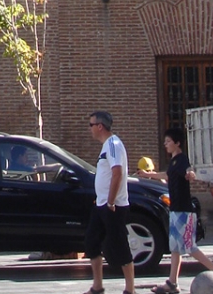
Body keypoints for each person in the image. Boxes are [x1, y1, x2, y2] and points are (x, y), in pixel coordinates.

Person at [148, 127, 213, 294]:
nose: (166, 145)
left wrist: (191, 174)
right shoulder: (173, 162)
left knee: (190, 247)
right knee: (175, 249)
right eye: (165, 142)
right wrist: (150, 175)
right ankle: (172, 283)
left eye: (168, 141)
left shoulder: (182, 159)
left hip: (185, 211)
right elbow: (168, 176)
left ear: (177, 143)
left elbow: (189, 171)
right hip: (176, 209)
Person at [82, 110, 135, 294]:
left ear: (100, 126)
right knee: (91, 242)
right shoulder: (106, 146)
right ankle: (97, 286)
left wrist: (111, 201)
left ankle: (130, 289)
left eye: (91, 125)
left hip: (114, 207)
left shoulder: (113, 145)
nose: (90, 129)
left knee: (119, 245)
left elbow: (117, 173)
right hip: (101, 205)